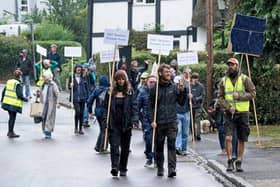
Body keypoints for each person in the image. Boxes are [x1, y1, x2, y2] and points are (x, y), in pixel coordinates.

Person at [218, 57, 256, 172]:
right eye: (229, 65)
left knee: (241, 139)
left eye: (233, 64)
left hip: (243, 113)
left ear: (237, 66)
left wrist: (239, 96)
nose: (230, 66)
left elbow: (253, 93)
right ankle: (230, 161)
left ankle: (239, 161)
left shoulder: (245, 79)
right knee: (228, 138)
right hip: (229, 114)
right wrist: (228, 107)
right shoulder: (223, 80)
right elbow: (220, 98)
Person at [149, 64, 186, 177]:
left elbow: (181, 102)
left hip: (171, 121)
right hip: (159, 122)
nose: (169, 73)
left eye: (169, 72)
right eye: (166, 72)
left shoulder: (174, 87)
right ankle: (160, 167)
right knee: (159, 146)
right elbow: (150, 106)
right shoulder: (154, 89)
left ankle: (171, 169)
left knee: (171, 144)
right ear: (160, 73)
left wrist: (183, 91)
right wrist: (152, 120)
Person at [102, 70, 138, 177]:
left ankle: (123, 167)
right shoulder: (110, 92)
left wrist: (135, 119)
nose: (121, 81)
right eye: (119, 79)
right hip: (114, 123)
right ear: (116, 80)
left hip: (126, 123)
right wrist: (105, 120)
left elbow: (134, 106)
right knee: (114, 146)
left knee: (125, 148)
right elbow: (105, 107)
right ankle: (114, 166)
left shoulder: (130, 92)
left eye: (122, 79)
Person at [1, 70, 28, 138]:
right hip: (13, 103)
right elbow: (19, 95)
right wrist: (25, 99)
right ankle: (10, 132)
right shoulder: (18, 83)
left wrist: (2, 99)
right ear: (20, 76)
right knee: (12, 118)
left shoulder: (9, 81)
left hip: (7, 102)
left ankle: (10, 131)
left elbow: (4, 91)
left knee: (10, 117)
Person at [137, 75, 157, 167]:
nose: (153, 84)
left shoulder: (159, 92)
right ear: (147, 82)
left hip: (158, 119)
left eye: (154, 82)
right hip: (146, 119)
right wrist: (136, 119)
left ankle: (157, 158)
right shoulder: (142, 92)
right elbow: (137, 106)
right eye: (151, 82)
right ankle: (149, 156)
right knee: (149, 139)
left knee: (157, 140)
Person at [87, 75, 110, 153]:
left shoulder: (96, 90)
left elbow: (89, 100)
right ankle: (102, 147)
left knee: (102, 129)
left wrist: (90, 110)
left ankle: (98, 146)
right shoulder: (108, 91)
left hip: (97, 112)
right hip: (105, 112)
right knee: (105, 129)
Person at [174, 68, 191, 156]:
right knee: (179, 131)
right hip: (177, 113)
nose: (178, 84)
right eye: (177, 83)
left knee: (185, 132)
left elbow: (193, 102)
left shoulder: (187, 89)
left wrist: (192, 98)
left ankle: (184, 149)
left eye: (179, 82)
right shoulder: (173, 91)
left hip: (186, 112)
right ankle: (178, 148)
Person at [38, 71, 60, 139]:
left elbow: (57, 93)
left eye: (44, 77)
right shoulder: (43, 84)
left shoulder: (53, 84)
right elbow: (42, 93)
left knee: (49, 117)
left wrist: (58, 103)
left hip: (50, 104)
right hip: (43, 103)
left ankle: (48, 132)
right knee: (43, 117)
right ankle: (45, 130)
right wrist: (38, 94)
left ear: (47, 77)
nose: (43, 78)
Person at [68, 64, 88, 135]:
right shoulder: (72, 77)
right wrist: (71, 86)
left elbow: (86, 87)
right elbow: (69, 87)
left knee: (82, 113)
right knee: (78, 111)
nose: (79, 69)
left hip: (82, 97)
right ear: (75, 69)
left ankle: (80, 128)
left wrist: (87, 97)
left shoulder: (83, 77)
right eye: (77, 68)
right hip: (75, 97)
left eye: (80, 68)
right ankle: (76, 127)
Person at [190, 72, 205, 141]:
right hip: (191, 106)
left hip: (198, 106)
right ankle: (193, 134)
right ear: (191, 79)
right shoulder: (189, 86)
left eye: (196, 78)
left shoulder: (201, 86)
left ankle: (198, 135)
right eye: (193, 78)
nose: (195, 80)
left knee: (197, 120)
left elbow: (203, 95)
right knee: (192, 121)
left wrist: (196, 98)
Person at [82, 63, 96, 127]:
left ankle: (85, 120)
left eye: (86, 68)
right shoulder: (82, 75)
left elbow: (93, 83)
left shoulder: (90, 75)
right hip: (82, 93)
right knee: (84, 106)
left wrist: (91, 90)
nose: (85, 70)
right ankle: (84, 119)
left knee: (86, 106)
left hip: (88, 93)